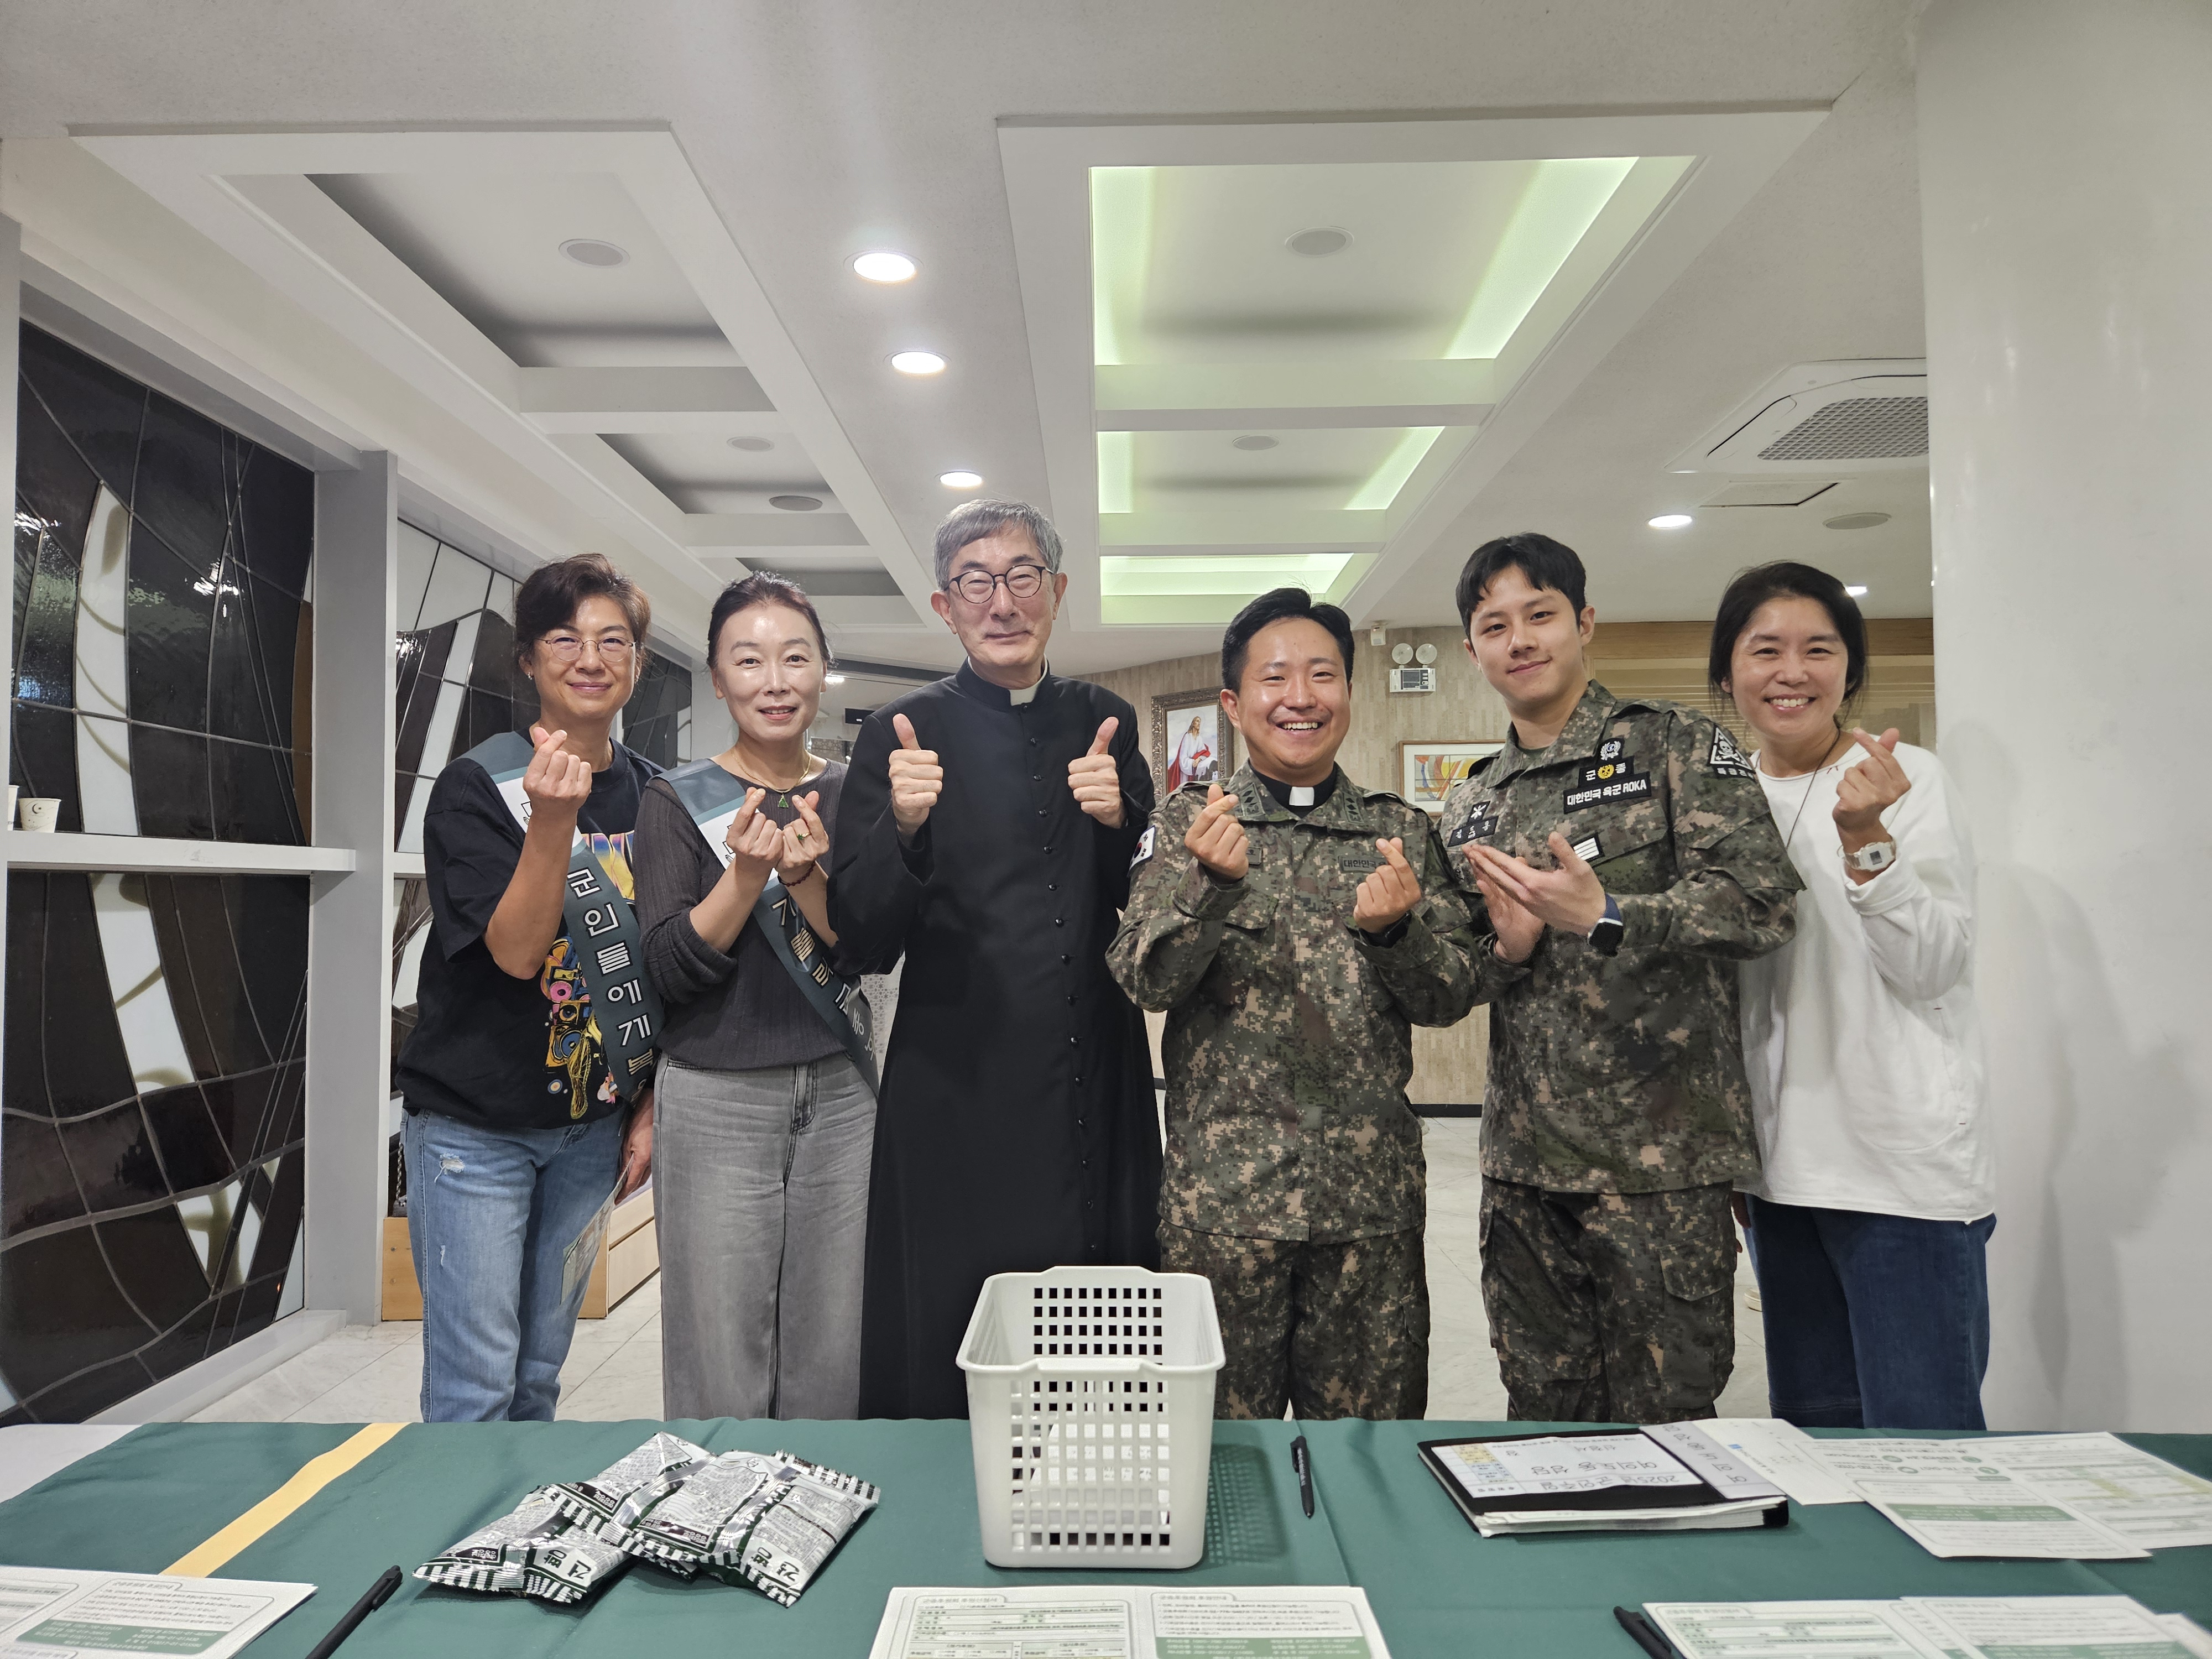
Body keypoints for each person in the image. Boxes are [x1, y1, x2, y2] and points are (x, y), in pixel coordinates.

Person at [1437, 532, 1799, 1423]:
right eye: (1495, 626)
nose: (1520, 640)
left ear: (1585, 622)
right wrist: (1503, 951)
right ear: (1473, 651)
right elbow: (1458, 972)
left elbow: (1762, 907)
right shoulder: (1472, 801)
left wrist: (1611, 914)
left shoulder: (1674, 746)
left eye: (1540, 615)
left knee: (1669, 1426)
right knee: (1542, 1421)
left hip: (1660, 1171)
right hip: (1525, 1174)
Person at [1109, 588, 1479, 1420]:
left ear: (1348, 692)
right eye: (1275, 678)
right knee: (1216, 1449)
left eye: (1323, 675)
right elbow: (1143, 979)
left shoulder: (1398, 833)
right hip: (1224, 1208)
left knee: (1367, 1452)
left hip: (1367, 1207)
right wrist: (1208, 888)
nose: (1301, 698)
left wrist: (1398, 935)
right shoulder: (1187, 824)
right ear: (1234, 704)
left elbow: (1451, 994)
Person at [830, 498, 1161, 1417]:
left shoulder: (1106, 721)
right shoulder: (897, 733)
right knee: (954, 1304)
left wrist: (1120, 820)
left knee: (1090, 1313)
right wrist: (902, 828)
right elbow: (862, 937)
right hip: (956, 1081)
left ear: (1057, 590)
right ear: (945, 607)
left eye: (1022, 577)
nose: (1002, 602)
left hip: (1091, 1065)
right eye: (976, 582)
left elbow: (1146, 904)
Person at [1712, 562, 1992, 1430]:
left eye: (1819, 650)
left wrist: (1866, 836)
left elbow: (1933, 966)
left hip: (1900, 1180)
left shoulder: (1904, 780)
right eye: (1766, 650)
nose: (1791, 673)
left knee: (1926, 1450)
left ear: (1849, 669)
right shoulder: (1722, 800)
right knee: (1818, 1440)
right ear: (1728, 672)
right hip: (1780, 1180)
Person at [396, 552, 659, 1422]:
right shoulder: (479, 786)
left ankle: (519, 1514)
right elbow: (514, 954)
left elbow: (669, 966)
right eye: (565, 639)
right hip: (474, 1130)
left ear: (637, 662)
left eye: (613, 641)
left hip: (589, 1131)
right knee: (475, 1388)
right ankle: (467, 1518)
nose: (591, 659)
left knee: (539, 1378)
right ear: (529, 659)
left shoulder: (656, 796)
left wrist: (649, 1105)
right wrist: (553, 823)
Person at [632, 573, 875, 1421]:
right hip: (715, 1099)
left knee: (834, 1349)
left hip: (843, 1098)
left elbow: (868, 952)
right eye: (749, 660)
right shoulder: (674, 800)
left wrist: (807, 880)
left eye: (795, 658)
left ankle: (821, 1495)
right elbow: (668, 969)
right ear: (717, 677)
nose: (775, 681)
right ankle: (716, 1498)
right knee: (719, 1354)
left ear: (821, 671)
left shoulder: (855, 793)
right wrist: (744, 877)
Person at [1166, 713, 1213, 792]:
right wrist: (1192, 763)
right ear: (1193, 723)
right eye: (1197, 721)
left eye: (1200, 722)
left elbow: (1204, 752)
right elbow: (1182, 757)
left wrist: (1198, 759)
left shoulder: (1199, 738)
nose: (1199, 723)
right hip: (1186, 769)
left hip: (1194, 767)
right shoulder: (1187, 737)